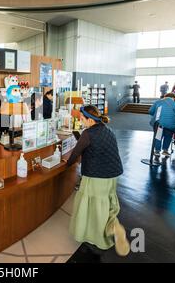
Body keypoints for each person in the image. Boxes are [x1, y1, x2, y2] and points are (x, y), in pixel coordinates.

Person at [63, 105, 130, 257]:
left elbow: (75, 153)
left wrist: (66, 164)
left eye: (81, 119)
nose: (80, 121)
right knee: (106, 202)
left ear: (90, 120)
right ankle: (113, 224)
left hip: (96, 175)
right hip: (113, 175)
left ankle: (99, 237)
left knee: (94, 207)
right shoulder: (107, 130)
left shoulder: (88, 133)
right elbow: (95, 146)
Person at [148, 93, 175, 158]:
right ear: (173, 98)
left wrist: (156, 113)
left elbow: (150, 111)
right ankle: (165, 151)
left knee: (158, 137)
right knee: (168, 137)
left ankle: (157, 151)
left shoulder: (158, 102)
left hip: (159, 123)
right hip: (171, 124)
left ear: (165, 97)